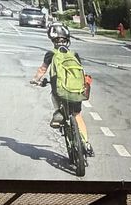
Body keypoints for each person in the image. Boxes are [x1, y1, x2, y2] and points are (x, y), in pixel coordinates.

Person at [30, 22, 94, 157]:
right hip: (77, 91)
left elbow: (42, 69)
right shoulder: (74, 54)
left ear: (53, 40)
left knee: (54, 95)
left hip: (60, 91)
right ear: (67, 39)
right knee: (77, 115)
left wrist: (36, 80)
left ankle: (59, 113)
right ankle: (86, 143)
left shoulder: (51, 54)